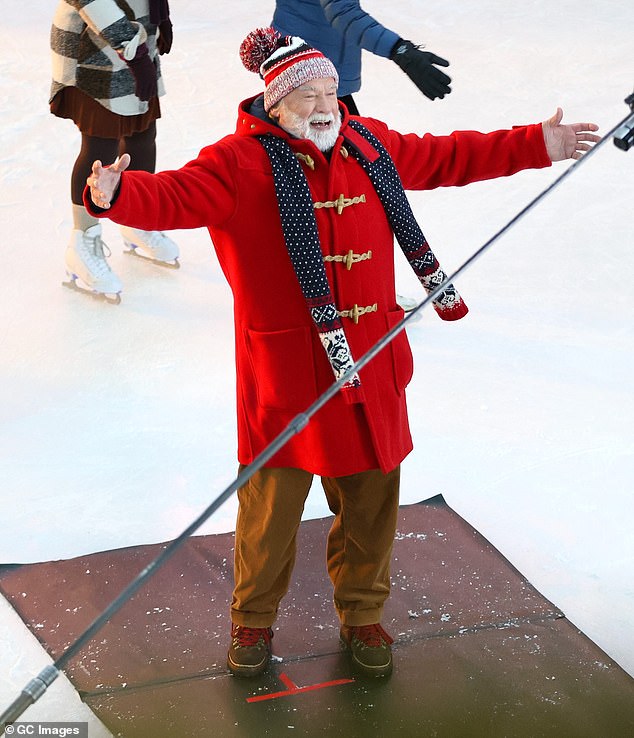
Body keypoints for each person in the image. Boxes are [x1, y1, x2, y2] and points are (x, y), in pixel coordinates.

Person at [84, 28, 599, 678]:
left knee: (370, 508)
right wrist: (114, 194)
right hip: (288, 381)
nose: (327, 105)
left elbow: (446, 157)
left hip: (370, 370)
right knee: (270, 515)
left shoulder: (367, 144)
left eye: (332, 90)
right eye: (309, 94)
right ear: (276, 102)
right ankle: (252, 623)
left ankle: (363, 618)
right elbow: (175, 196)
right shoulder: (237, 164)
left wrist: (537, 143)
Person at [50, 0, 179, 303]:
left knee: (142, 136)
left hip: (137, 36)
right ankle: (83, 242)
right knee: (101, 145)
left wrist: (161, 19)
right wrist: (134, 53)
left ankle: (137, 218)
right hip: (93, 45)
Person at [272, 0, 452, 114]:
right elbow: (343, 14)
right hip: (308, 75)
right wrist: (399, 50)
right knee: (351, 162)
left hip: (307, 66)